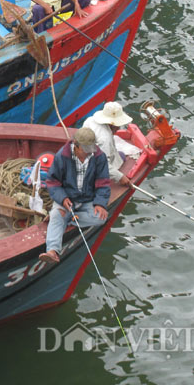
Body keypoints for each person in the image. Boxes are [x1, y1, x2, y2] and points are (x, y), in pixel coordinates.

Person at [39, 128, 111, 264]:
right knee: (56, 215)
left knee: (101, 218)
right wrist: (62, 198)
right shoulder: (62, 156)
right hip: (67, 198)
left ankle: (69, 219)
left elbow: (103, 183)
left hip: (87, 200)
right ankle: (52, 251)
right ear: (76, 146)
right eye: (85, 149)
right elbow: (53, 182)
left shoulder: (99, 157)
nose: (89, 152)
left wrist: (100, 203)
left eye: (91, 148)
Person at [82, 101, 133, 187]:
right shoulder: (104, 138)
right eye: (118, 125)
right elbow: (102, 165)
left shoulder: (90, 120)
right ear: (111, 124)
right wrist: (120, 177)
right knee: (121, 159)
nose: (119, 128)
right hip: (92, 166)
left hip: (86, 155)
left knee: (121, 155)